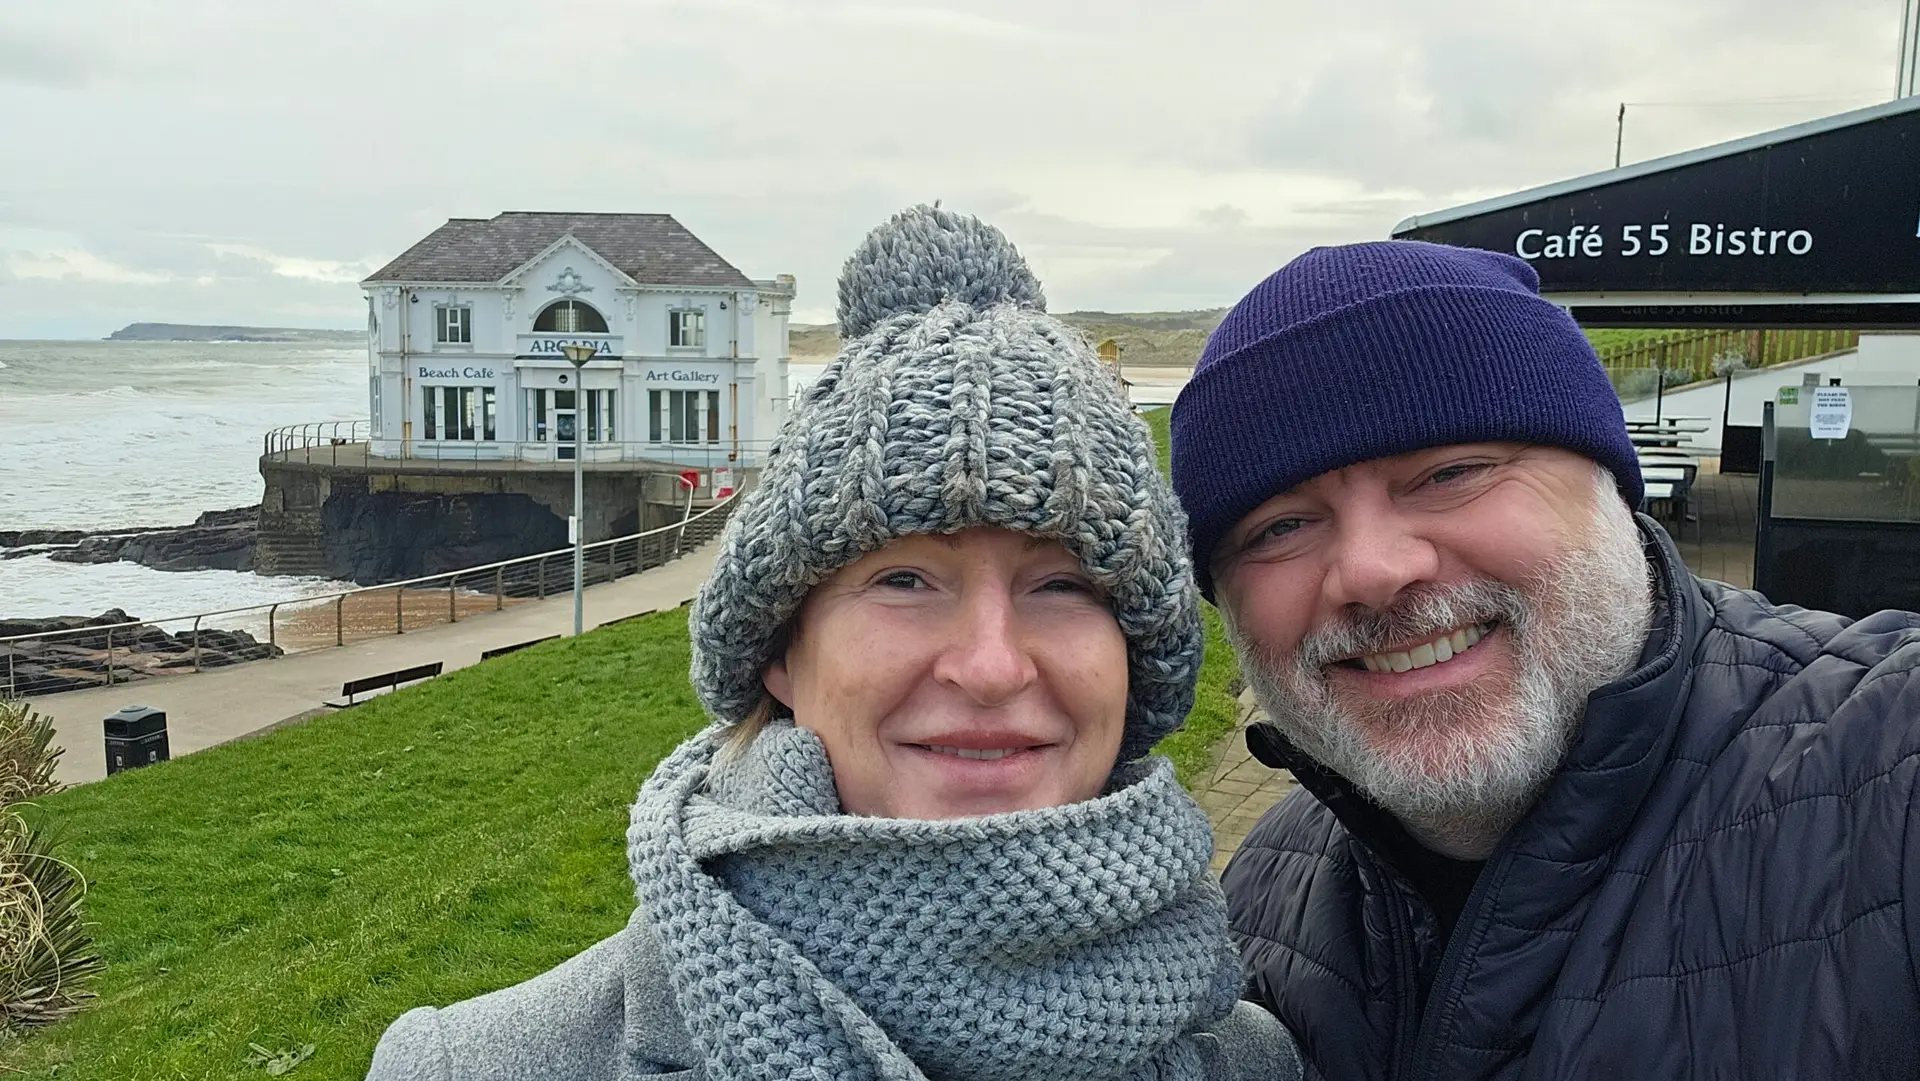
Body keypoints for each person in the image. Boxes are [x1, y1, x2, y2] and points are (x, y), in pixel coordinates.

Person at [366, 206, 1301, 1081]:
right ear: (780, 650)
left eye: (1062, 585)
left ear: (1137, 656)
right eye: (904, 580)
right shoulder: (468, 1062)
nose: (990, 665)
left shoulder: (1263, 1059)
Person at [1169, 240, 1920, 1080]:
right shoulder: (1259, 893)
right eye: (1280, 527)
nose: (1375, 571)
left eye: (1450, 472)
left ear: (1608, 487)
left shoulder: (1889, 781)